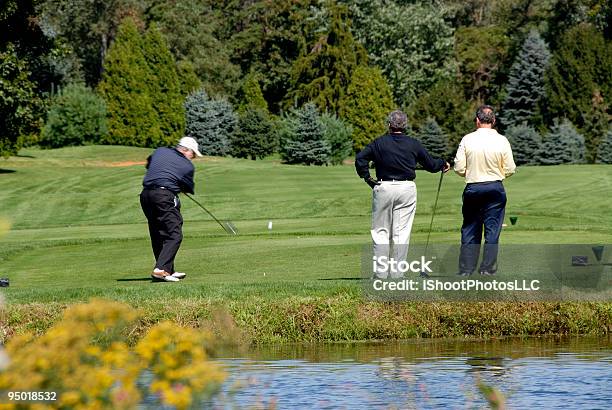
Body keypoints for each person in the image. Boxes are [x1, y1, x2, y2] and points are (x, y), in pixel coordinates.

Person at [355, 110, 450, 279]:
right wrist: (443, 162)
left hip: (383, 187)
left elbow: (360, 159)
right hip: (406, 188)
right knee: (401, 232)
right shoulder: (413, 144)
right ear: (405, 125)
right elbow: (431, 165)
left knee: (381, 232)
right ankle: (398, 274)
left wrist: (368, 178)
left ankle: (381, 274)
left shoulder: (379, 143)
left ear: (389, 125)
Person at [453, 105, 516, 276]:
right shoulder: (502, 140)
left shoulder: (467, 139)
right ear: (493, 121)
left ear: (477, 121)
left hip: (474, 188)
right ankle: (487, 269)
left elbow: (458, 167)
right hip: (495, 188)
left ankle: (466, 269)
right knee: (492, 231)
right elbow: (510, 168)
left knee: (470, 229)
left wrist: (472, 173)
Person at [140, 136, 202, 282]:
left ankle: (167, 270)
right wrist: (180, 186)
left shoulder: (160, 151)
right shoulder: (188, 166)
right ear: (185, 150)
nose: (192, 157)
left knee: (158, 233)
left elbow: (149, 163)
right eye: (192, 154)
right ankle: (160, 269)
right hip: (163, 196)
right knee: (174, 234)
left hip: (145, 195)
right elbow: (187, 187)